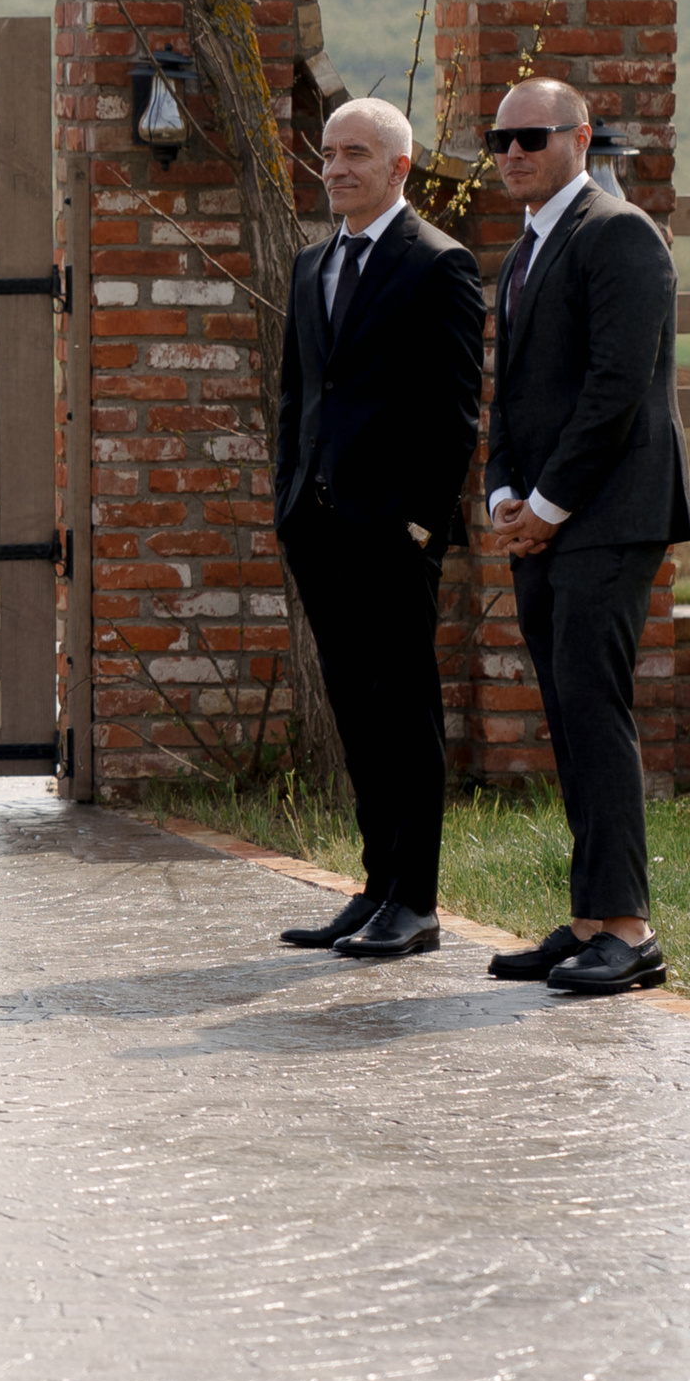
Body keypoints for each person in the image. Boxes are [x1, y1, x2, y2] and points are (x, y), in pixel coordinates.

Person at [479, 78, 690, 998]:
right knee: (569, 715)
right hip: (543, 520)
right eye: (498, 140)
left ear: (579, 138)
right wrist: (502, 493)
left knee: (596, 711)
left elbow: (618, 386)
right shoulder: (524, 249)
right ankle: (588, 921)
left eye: (531, 136)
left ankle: (634, 932)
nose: (512, 153)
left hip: (609, 517)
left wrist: (550, 507)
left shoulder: (618, 234)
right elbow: (515, 392)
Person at [273, 97, 488, 959]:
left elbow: (455, 412)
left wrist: (419, 524)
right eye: (328, 154)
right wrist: (288, 498)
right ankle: (373, 887)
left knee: (405, 712)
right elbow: (298, 396)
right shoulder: (309, 263)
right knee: (356, 713)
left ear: (399, 167)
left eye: (356, 153)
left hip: (392, 533)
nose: (335, 168)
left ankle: (418, 902)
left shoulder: (438, 264)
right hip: (319, 527)